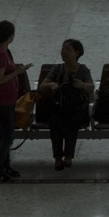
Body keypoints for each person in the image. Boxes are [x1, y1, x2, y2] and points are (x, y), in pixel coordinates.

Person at [0, 21, 28, 183]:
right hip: (1, 101)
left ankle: (5, 166)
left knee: (5, 134)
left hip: (6, 98)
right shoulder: (0, 55)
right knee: (7, 136)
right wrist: (17, 72)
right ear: (10, 36)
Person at [39, 39, 93, 170]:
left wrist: (82, 85)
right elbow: (42, 86)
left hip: (78, 109)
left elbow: (91, 87)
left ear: (77, 53)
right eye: (63, 49)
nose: (63, 52)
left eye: (67, 49)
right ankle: (58, 157)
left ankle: (68, 156)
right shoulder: (57, 69)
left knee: (72, 122)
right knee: (55, 121)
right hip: (59, 107)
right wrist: (51, 85)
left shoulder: (83, 70)